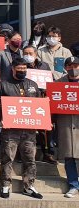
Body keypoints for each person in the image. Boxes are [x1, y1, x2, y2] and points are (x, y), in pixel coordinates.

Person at [0, 57, 43, 199]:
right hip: (10, 128)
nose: (22, 71)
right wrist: (6, 112)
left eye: (24, 69)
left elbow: (39, 104)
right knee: (8, 157)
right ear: (13, 69)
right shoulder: (3, 84)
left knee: (30, 158)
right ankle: (5, 185)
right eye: (19, 69)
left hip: (29, 129)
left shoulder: (32, 84)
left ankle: (29, 186)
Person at [55, 56, 79, 198]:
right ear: (65, 68)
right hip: (65, 124)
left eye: (76, 65)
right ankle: (73, 185)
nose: (73, 69)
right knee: (69, 156)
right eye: (69, 66)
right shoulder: (58, 83)